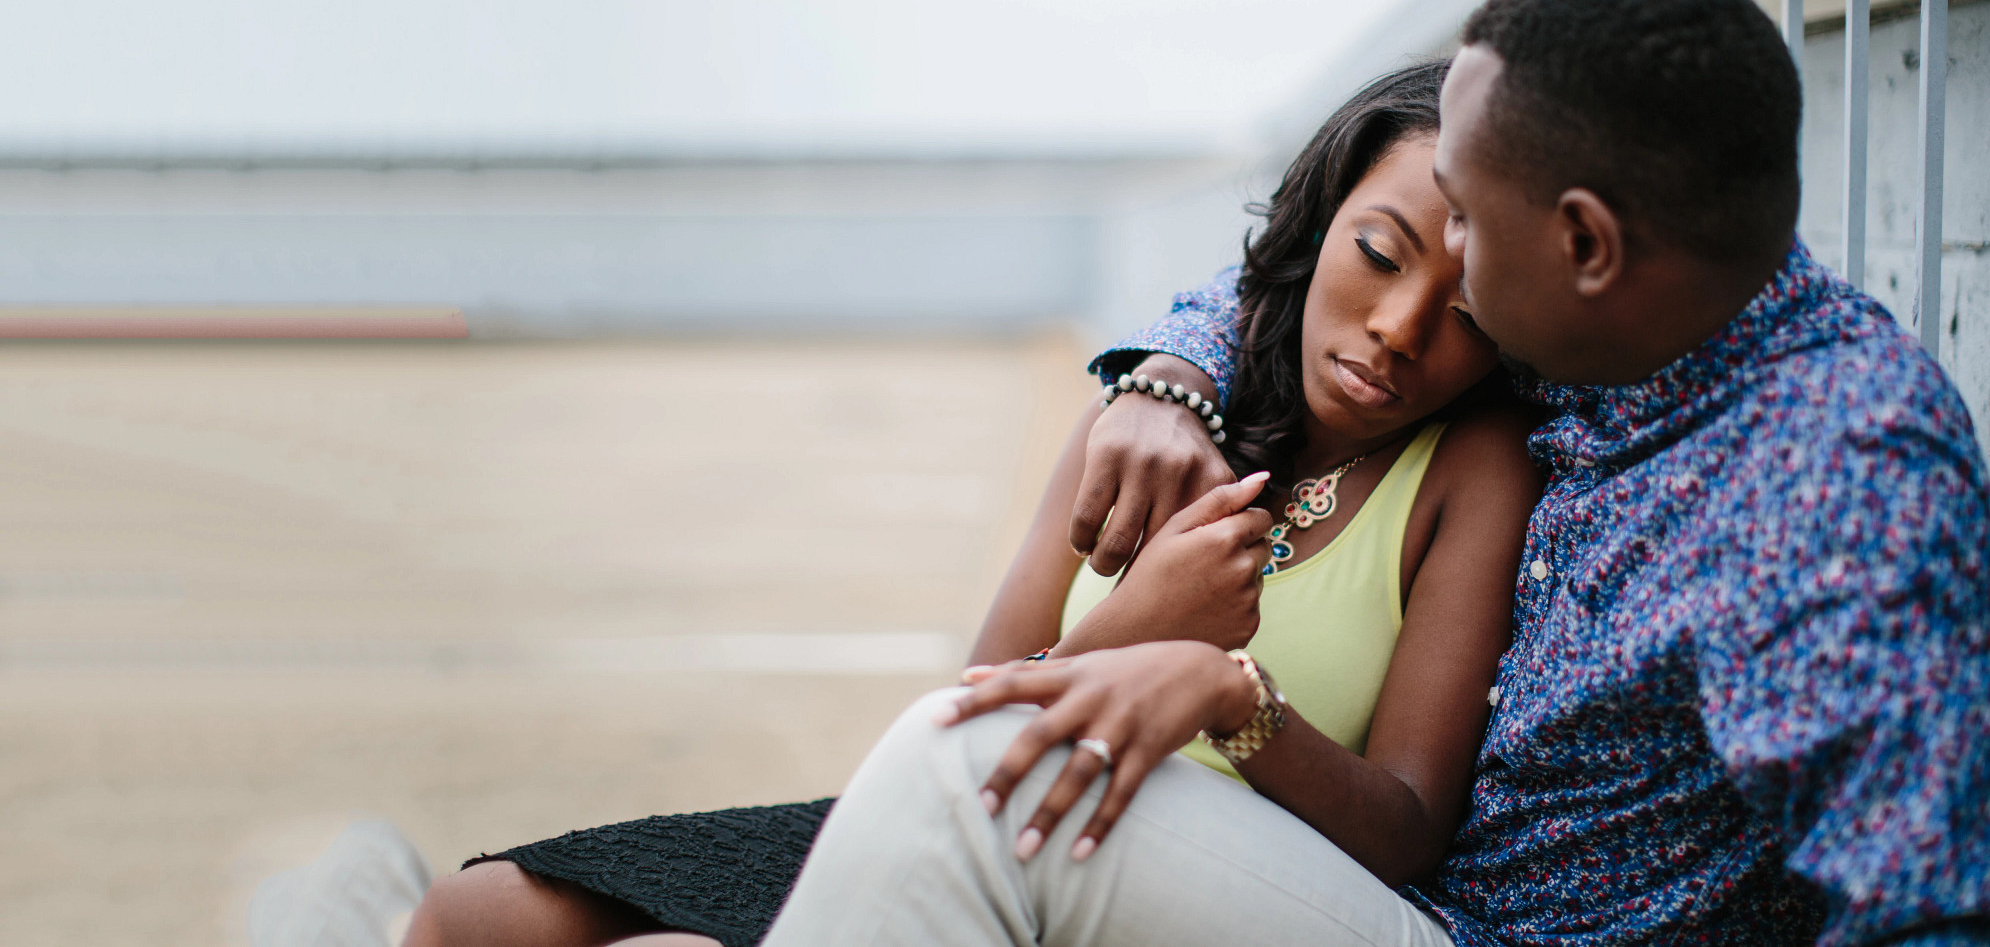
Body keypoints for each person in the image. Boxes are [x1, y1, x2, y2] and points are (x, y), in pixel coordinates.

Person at [754, 0, 1990, 947]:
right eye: (1405, 238)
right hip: (1382, 904)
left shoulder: (1832, 473)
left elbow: (1930, 906)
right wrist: (1172, 378)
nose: (1435, 276)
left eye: (1467, 222)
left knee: (975, 777)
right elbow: (1305, 278)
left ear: (1579, 245)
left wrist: (1231, 692)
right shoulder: (1624, 309)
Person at [398, 60, 1544, 947]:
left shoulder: (1465, 470)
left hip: (1159, 879)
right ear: (1318, 222)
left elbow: (1402, 826)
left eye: (1464, 307)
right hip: (979, 809)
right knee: (470, 915)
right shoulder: (1154, 412)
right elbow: (963, 716)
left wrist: (1228, 696)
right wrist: (1139, 620)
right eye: (1379, 255)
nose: (1399, 330)